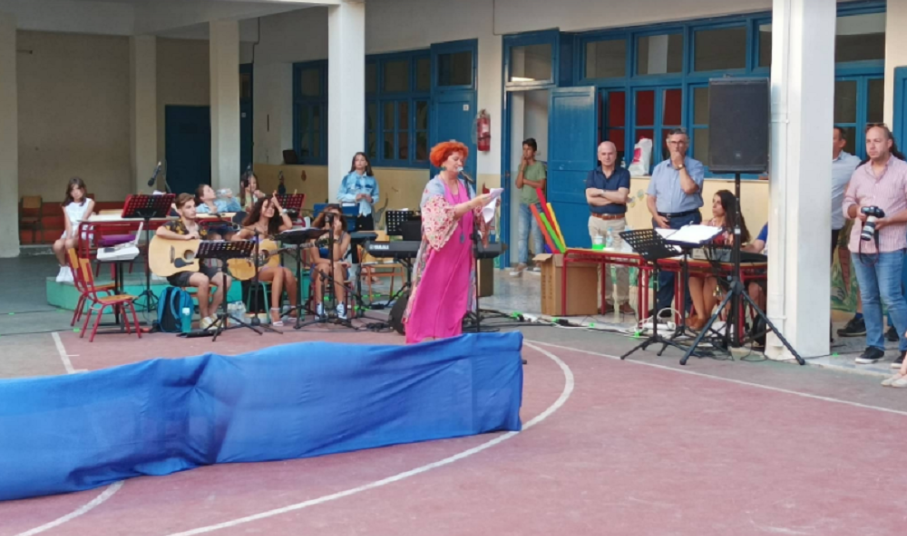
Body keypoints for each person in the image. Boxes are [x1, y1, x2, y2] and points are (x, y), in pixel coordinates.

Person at [403, 141, 493, 344]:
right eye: (455, 159)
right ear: (443, 161)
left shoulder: (465, 185)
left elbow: (475, 212)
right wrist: (473, 203)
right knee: (429, 293)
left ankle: (450, 335)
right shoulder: (434, 186)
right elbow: (440, 215)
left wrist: (487, 205)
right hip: (439, 252)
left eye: (462, 159)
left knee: (455, 295)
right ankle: (418, 335)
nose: (460, 163)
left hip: (461, 251)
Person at [842, 124, 907, 367]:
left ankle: (906, 348)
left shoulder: (903, 170)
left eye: (877, 141)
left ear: (889, 143)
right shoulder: (860, 172)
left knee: (891, 296)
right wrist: (856, 210)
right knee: (868, 297)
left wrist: (888, 220)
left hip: (891, 243)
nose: (872, 146)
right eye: (869, 141)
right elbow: (847, 203)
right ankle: (874, 346)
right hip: (861, 243)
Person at [646, 128, 705, 315]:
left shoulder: (695, 166)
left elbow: (688, 188)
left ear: (687, 145)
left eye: (681, 142)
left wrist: (680, 167)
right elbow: (650, 198)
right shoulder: (659, 168)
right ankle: (663, 307)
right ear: (667, 144)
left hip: (688, 219)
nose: (677, 146)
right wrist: (656, 217)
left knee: (687, 266)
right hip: (663, 221)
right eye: (673, 142)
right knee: (664, 266)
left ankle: (689, 310)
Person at [154, 193, 233, 330]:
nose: (193, 209)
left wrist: (212, 247)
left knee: (226, 280)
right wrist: (185, 238)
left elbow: (201, 254)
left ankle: (211, 313)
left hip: (197, 266)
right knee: (203, 280)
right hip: (177, 270)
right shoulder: (175, 225)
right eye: (188, 207)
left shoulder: (201, 230)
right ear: (180, 211)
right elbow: (159, 231)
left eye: (194, 206)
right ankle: (204, 318)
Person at [687, 190, 750, 330]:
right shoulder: (707, 224)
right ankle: (702, 316)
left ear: (727, 206)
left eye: (719, 203)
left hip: (724, 277)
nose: (714, 206)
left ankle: (703, 318)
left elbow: (733, 251)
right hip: (707, 268)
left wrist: (732, 239)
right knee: (693, 278)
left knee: (711, 280)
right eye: (713, 202)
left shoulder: (733, 228)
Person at [232, 194, 298, 326]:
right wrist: (253, 248)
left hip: (273, 267)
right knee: (280, 271)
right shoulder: (252, 227)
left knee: (288, 273)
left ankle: (293, 309)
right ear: (259, 209)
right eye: (267, 206)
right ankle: (274, 311)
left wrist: (279, 206)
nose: (270, 209)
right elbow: (234, 238)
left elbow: (289, 226)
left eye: (272, 207)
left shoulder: (274, 228)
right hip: (256, 269)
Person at [585, 141, 633, 315]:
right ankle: (607, 301)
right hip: (596, 223)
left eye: (610, 153)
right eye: (603, 154)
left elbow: (622, 197)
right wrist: (614, 197)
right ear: (599, 156)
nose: (607, 157)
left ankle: (624, 301)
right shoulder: (592, 174)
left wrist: (601, 192)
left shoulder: (624, 173)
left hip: (617, 223)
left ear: (615, 155)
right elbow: (590, 199)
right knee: (601, 263)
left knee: (621, 262)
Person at [831, 128, 866, 338]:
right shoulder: (809, 159)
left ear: (842, 143)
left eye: (832, 138)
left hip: (837, 226)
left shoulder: (853, 163)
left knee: (858, 273)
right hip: (807, 226)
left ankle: (862, 317)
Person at [511, 138, 546, 276]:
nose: (526, 152)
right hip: (523, 205)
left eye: (528, 149)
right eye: (524, 149)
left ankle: (539, 262)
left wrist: (525, 180)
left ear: (534, 152)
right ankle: (522, 262)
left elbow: (541, 185)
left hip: (536, 204)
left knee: (537, 234)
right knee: (522, 235)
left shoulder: (539, 166)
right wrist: (522, 168)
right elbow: (518, 185)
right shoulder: (522, 166)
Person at [310, 205, 352, 320]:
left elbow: (337, 257)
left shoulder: (345, 236)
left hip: (338, 269)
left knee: (335, 266)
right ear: (325, 217)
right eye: (331, 215)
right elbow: (316, 259)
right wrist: (334, 263)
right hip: (318, 268)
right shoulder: (315, 234)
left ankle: (340, 306)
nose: (334, 218)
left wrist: (335, 236)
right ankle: (320, 307)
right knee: (324, 266)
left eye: (337, 216)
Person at [53, 177, 95, 283]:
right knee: (57, 245)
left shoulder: (90, 202)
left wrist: (75, 235)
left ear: (83, 189)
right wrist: (68, 237)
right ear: (69, 192)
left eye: (78, 189)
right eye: (72, 190)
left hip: (84, 233)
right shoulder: (65, 205)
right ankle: (64, 268)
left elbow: (83, 220)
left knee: (69, 243)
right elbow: (68, 224)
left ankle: (74, 269)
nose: (75, 192)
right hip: (70, 234)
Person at [337, 152, 380, 231]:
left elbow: (376, 196)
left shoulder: (372, 180)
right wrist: (354, 197)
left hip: (366, 214)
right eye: (357, 160)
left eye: (362, 160)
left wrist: (371, 199)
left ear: (366, 163)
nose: (359, 162)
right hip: (351, 215)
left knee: (367, 237)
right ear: (354, 163)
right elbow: (340, 196)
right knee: (350, 237)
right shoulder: (347, 178)